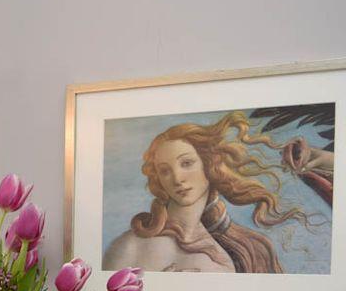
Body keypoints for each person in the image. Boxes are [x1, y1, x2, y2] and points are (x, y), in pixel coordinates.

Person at [104, 111, 325, 273]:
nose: (177, 178)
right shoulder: (129, 247)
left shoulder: (238, 251)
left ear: (209, 165)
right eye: (164, 170)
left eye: (187, 163)